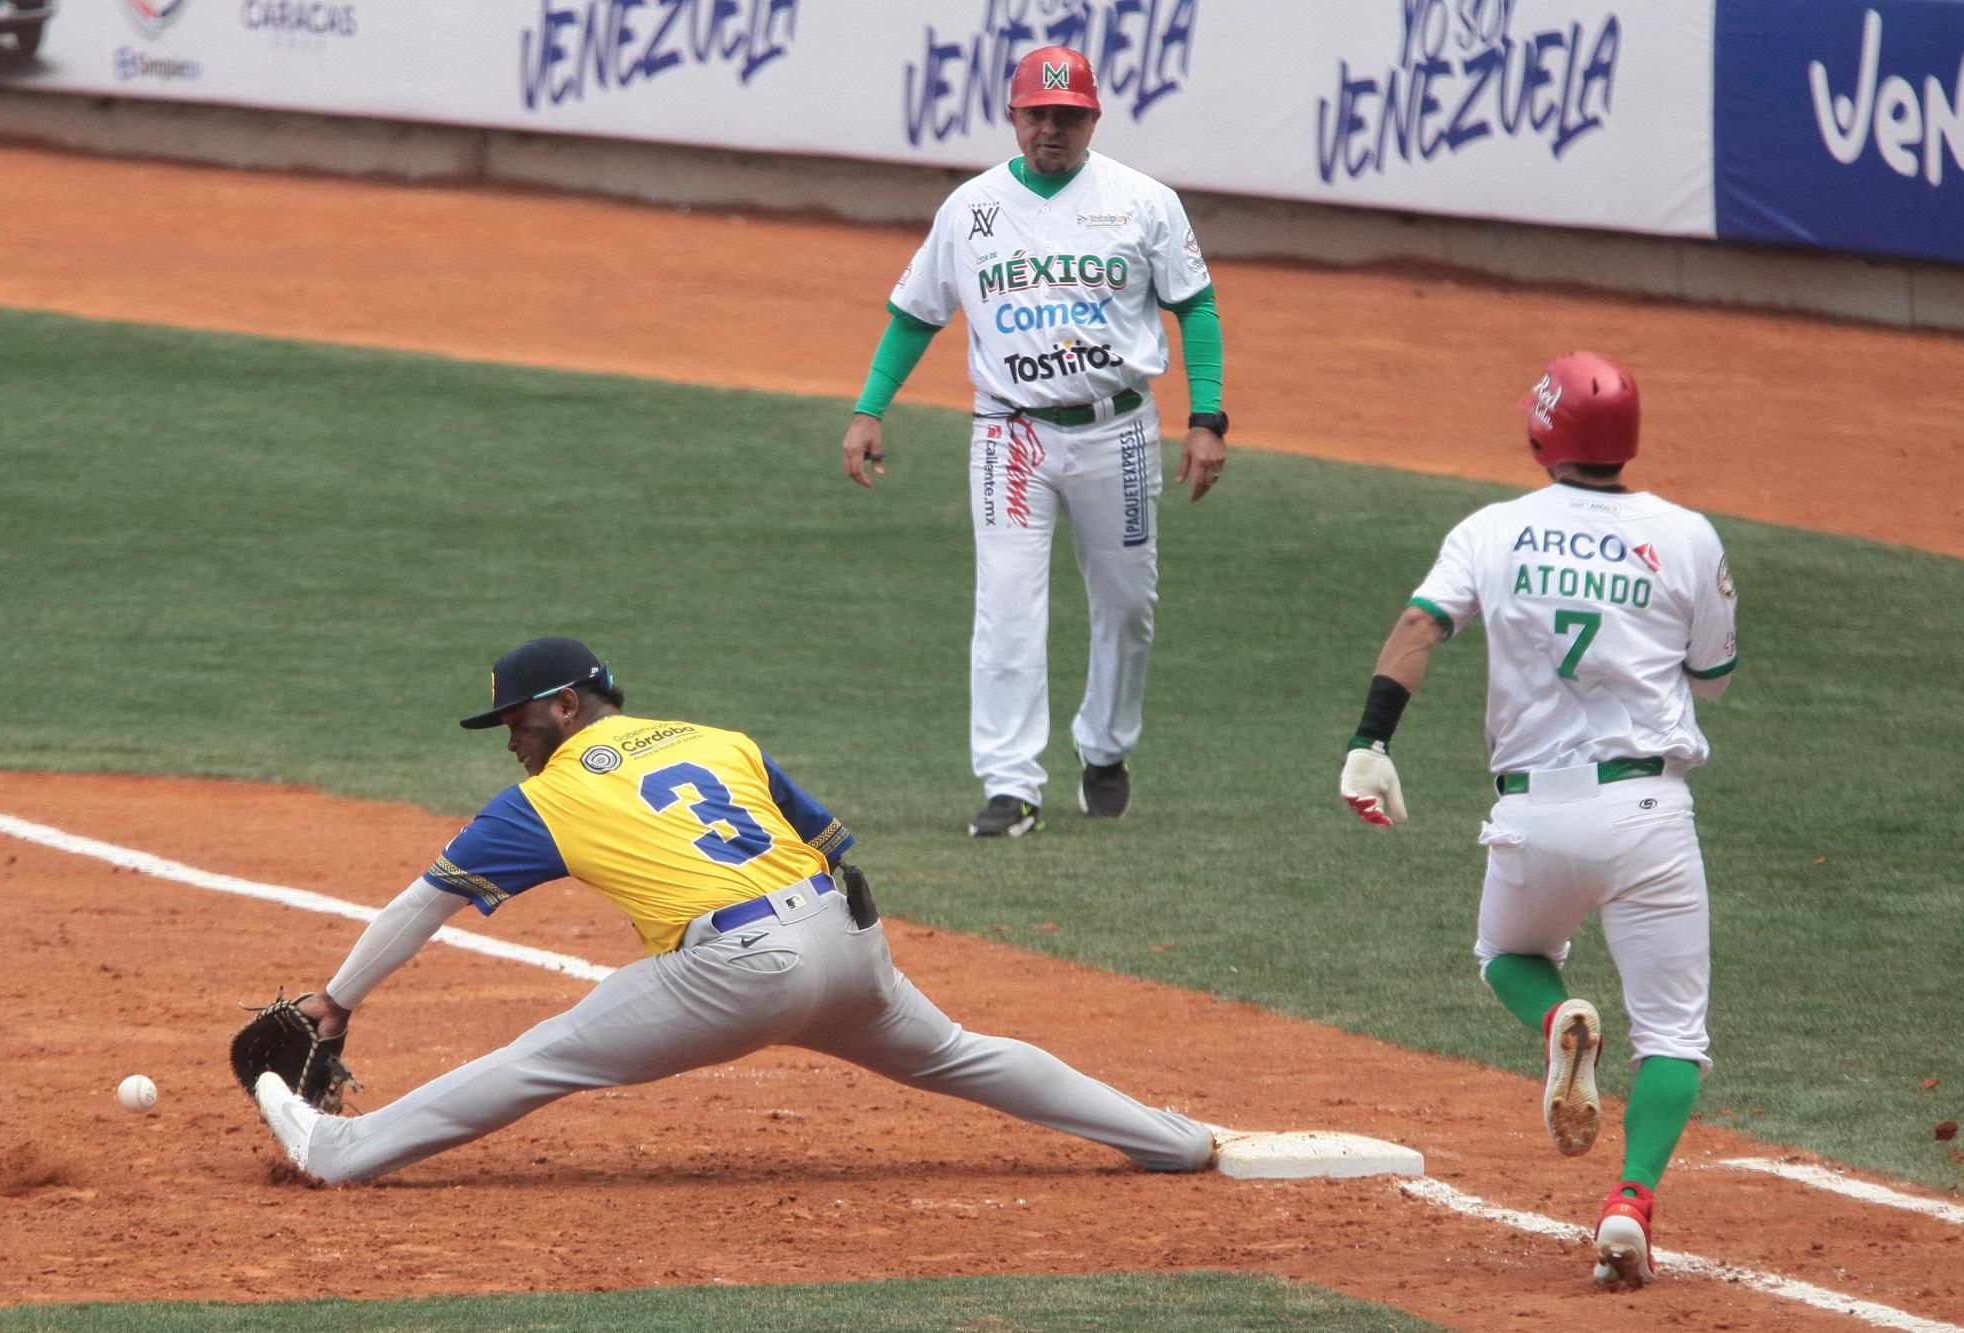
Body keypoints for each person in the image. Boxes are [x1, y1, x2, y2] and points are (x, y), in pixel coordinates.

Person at [247, 635, 1216, 1183]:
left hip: (740, 969)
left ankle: (343, 1150)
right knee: (961, 1052)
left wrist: (335, 999)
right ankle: (1166, 1138)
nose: (508, 738)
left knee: (544, 1055)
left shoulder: (546, 794)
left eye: (516, 717)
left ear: (569, 705)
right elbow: (834, 848)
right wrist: (855, 953)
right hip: (847, 943)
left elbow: (425, 904)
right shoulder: (719, 740)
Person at [1335, 353, 1738, 1289]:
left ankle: (1562, 1016)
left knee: (1506, 955)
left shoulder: (1492, 528)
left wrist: (1371, 743)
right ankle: (1630, 1201)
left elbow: (1418, 629)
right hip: (1650, 812)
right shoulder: (1687, 535)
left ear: (1542, 431)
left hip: (1534, 813)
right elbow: (1713, 675)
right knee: (1674, 1036)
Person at [839, 44, 1230, 838]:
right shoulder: (970, 209)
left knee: (1128, 607)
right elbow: (918, 312)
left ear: (1093, 118)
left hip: (1117, 428)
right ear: (1013, 116)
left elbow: (1195, 304)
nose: (1051, 129)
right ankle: (1011, 783)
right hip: (1009, 434)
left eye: (1068, 116)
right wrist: (869, 407)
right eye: (1037, 114)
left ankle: (1107, 746)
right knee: (1008, 607)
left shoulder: (1143, 201)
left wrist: (1207, 416)